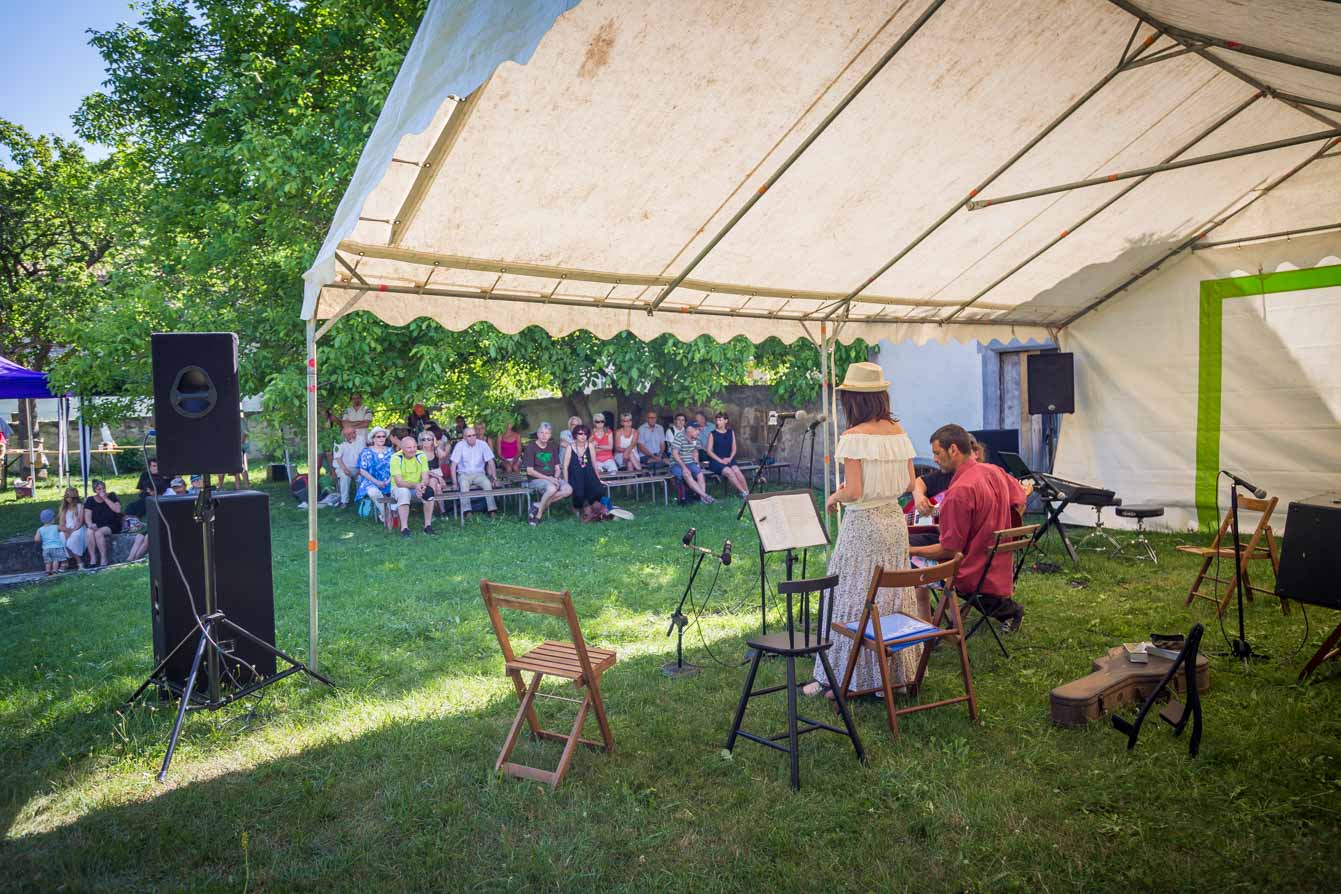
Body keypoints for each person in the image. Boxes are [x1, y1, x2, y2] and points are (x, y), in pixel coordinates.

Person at [806, 362, 918, 698]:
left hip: (863, 525)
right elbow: (910, 482)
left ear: (854, 400)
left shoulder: (853, 437)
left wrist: (834, 495)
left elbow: (853, 492)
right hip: (893, 521)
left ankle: (844, 677)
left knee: (852, 595)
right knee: (888, 595)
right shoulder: (899, 433)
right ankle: (891, 678)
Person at [910, 423, 1028, 633]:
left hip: (970, 571)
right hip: (996, 564)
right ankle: (929, 624)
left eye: (937, 453)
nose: (935, 460)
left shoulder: (959, 491)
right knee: (913, 540)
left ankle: (926, 628)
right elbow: (1020, 498)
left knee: (905, 559)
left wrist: (909, 551)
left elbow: (949, 550)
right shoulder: (995, 471)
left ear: (953, 449)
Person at [523, 422, 572, 524]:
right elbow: (530, 471)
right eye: (542, 433)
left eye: (547, 433)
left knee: (568, 489)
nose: (544, 435)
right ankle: (539, 514)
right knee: (552, 488)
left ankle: (537, 505)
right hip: (535, 480)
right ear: (537, 434)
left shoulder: (552, 447)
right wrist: (549, 479)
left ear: (550, 435)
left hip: (552, 477)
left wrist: (556, 477)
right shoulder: (531, 447)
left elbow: (557, 468)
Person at [391, 435, 437, 535]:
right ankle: (404, 528)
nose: (412, 450)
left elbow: (425, 477)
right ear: (402, 448)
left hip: (417, 487)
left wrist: (422, 486)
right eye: (409, 447)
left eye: (414, 447)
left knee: (429, 491)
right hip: (399, 488)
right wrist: (416, 486)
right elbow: (399, 482)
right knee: (404, 492)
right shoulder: (395, 458)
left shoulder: (421, 456)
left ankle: (428, 526)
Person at [561, 424, 608, 517]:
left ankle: (592, 507)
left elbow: (594, 464)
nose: (583, 436)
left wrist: (598, 479)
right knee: (579, 495)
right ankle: (576, 507)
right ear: (575, 435)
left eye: (585, 434)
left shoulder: (590, 446)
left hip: (589, 474)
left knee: (599, 490)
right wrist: (566, 482)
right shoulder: (570, 447)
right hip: (575, 476)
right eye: (580, 433)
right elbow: (565, 467)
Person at [451, 425, 498, 518]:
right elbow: (453, 465)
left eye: (474, 435)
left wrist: (494, 478)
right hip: (464, 474)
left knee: (487, 484)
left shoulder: (483, 444)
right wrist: (454, 483)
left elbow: (491, 461)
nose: (472, 438)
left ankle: (492, 510)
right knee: (464, 485)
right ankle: (467, 511)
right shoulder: (459, 445)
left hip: (479, 473)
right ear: (464, 437)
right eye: (469, 436)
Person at [705, 412, 749, 498]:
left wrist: (730, 458)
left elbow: (734, 448)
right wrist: (721, 460)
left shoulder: (730, 432)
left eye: (720, 420)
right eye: (717, 420)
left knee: (737, 471)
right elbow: (709, 451)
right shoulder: (712, 434)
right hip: (716, 461)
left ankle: (748, 492)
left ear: (726, 421)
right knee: (730, 472)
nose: (718, 422)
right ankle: (744, 493)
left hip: (729, 459)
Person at [670, 419, 715, 504]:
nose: (698, 431)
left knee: (700, 474)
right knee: (687, 474)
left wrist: (697, 464)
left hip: (690, 462)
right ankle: (705, 496)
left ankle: (703, 498)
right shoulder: (679, 436)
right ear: (689, 430)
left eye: (698, 429)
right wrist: (684, 467)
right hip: (677, 464)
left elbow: (695, 452)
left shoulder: (695, 439)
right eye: (696, 429)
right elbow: (675, 454)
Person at [355, 427, 395, 522]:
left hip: (388, 480)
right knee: (374, 492)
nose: (381, 438)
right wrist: (377, 482)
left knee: (398, 490)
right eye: (378, 437)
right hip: (371, 481)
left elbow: (395, 468)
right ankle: (387, 516)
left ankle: (391, 514)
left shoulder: (390, 451)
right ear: (373, 438)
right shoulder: (366, 452)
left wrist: (388, 480)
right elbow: (362, 471)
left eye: (383, 436)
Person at [83, 479, 123, 567]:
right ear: (95, 490)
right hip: (96, 524)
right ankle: (93, 559)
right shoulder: (90, 500)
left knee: (98, 533)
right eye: (99, 489)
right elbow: (87, 516)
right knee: (89, 532)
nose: (102, 491)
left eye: (103, 488)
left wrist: (105, 498)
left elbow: (117, 510)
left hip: (111, 524)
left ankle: (104, 559)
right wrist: (90, 524)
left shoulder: (112, 496)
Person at [334, 426, 364, 508]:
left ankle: (360, 499)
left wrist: (361, 468)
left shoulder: (360, 439)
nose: (353, 435)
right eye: (350, 434)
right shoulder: (338, 441)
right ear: (344, 435)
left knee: (363, 476)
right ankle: (344, 501)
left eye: (354, 432)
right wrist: (345, 469)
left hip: (357, 467)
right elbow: (338, 458)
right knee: (344, 477)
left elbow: (363, 455)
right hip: (343, 467)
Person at [57, 487, 88, 569]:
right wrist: (66, 530)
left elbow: (80, 522)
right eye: (66, 496)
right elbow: (61, 524)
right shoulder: (63, 508)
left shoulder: (80, 506)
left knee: (74, 537)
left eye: (69, 496)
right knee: (60, 536)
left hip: (78, 528)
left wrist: (72, 531)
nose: (67, 498)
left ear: (74, 497)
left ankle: (79, 562)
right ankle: (66, 562)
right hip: (67, 529)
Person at [36, 509, 68, 575]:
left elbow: (36, 539)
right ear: (52, 519)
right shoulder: (56, 527)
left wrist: (42, 540)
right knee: (55, 560)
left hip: (46, 548)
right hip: (56, 547)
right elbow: (65, 529)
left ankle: (48, 571)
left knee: (48, 562)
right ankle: (55, 570)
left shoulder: (40, 529)